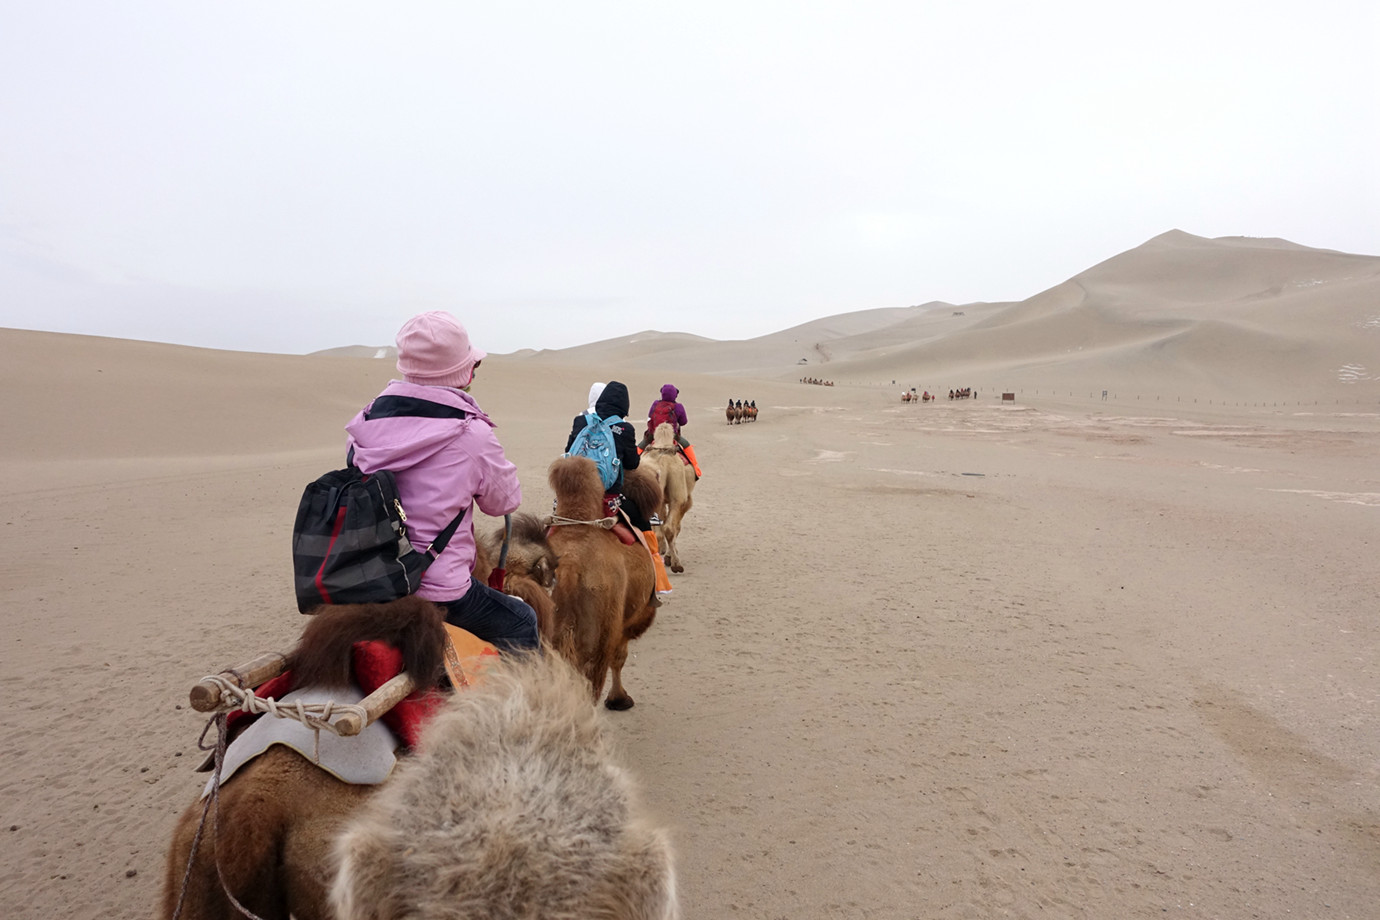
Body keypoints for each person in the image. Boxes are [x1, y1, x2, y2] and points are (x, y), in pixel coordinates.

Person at [345, 311, 539, 653]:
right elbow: (504, 503)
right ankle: (522, 706)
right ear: (462, 372)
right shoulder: (470, 433)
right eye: (472, 366)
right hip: (438, 589)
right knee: (522, 620)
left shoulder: (365, 421)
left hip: (368, 582)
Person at [566, 380, 674, 595]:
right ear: (624, 406)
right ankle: (655, 578)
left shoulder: (581, 421)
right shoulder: (624, 428)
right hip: (609, 497)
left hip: (574, 495)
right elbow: (632, 464)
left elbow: (568, 450)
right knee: (643, 522)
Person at [636, 383, 703, 478]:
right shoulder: (678, 407)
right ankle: (696, 468)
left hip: (654, 434)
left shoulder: (655, 404)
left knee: (641, 446)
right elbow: (683, 422)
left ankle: (629, 464)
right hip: (671, 434)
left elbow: (650, 417)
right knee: (686, 445)